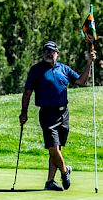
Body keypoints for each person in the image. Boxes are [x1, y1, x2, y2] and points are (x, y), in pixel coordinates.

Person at [19, 41, 96, 191]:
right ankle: (64, 171)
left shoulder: (64, 69)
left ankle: (50, 181)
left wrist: (89, 63)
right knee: (53, 148)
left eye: (51, 51)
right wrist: (24, 112)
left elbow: (81, 81)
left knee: (57, 149)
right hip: (47, 114)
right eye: (46, 51)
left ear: (57, 53)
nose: (48, 54)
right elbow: (27, 92)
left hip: (63, 114)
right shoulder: (36, 70)